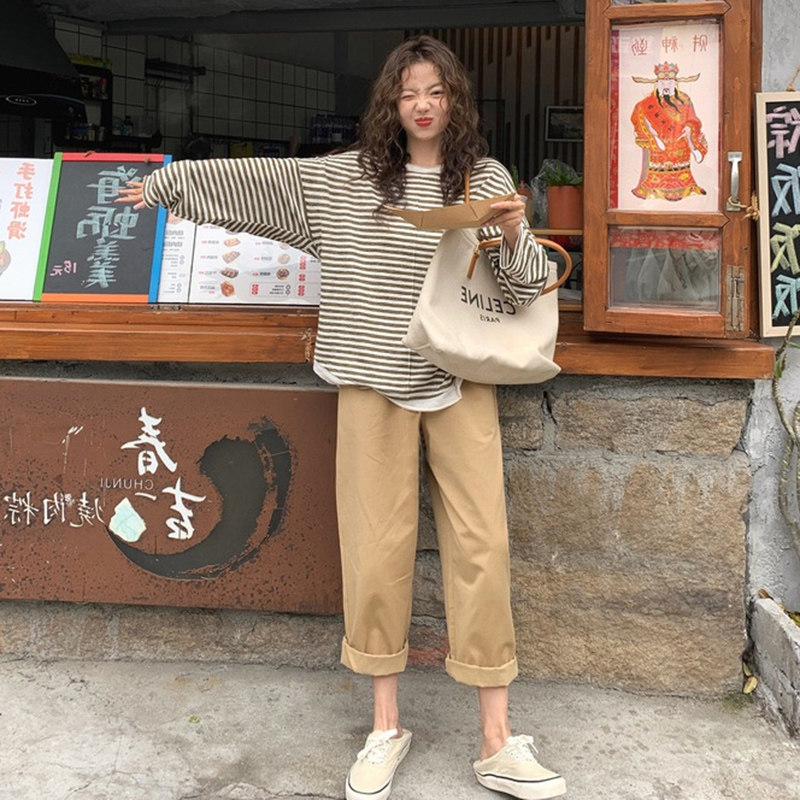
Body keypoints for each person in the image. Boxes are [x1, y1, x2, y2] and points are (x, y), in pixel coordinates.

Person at [118, 34, 566, 800]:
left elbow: (525, 286)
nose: (422, 105)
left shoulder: (484, 178)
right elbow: (260, 182)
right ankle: (385, 727)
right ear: (390, 102)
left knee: (482, 547)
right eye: (408, 92)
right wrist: (171, 184)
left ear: (455, 100)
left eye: (436, 92)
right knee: (375, 550)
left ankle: (497, 739)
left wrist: (513, 230)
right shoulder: (345, 180)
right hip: (368, 378)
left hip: (460, 379)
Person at [630, 61, 708, 201]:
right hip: (658, 144)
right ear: (657, 84)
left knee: (680, 163)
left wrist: (689, 129)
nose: (666, 85)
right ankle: (653, 187)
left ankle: (684, 185)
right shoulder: (647, 103)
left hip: (679, 141)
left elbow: (693, 119)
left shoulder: (685, 100)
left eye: (669, 82)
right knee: (657, 164)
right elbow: (639, 114)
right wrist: (652, 134)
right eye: (662, 82)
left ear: (675, 83)